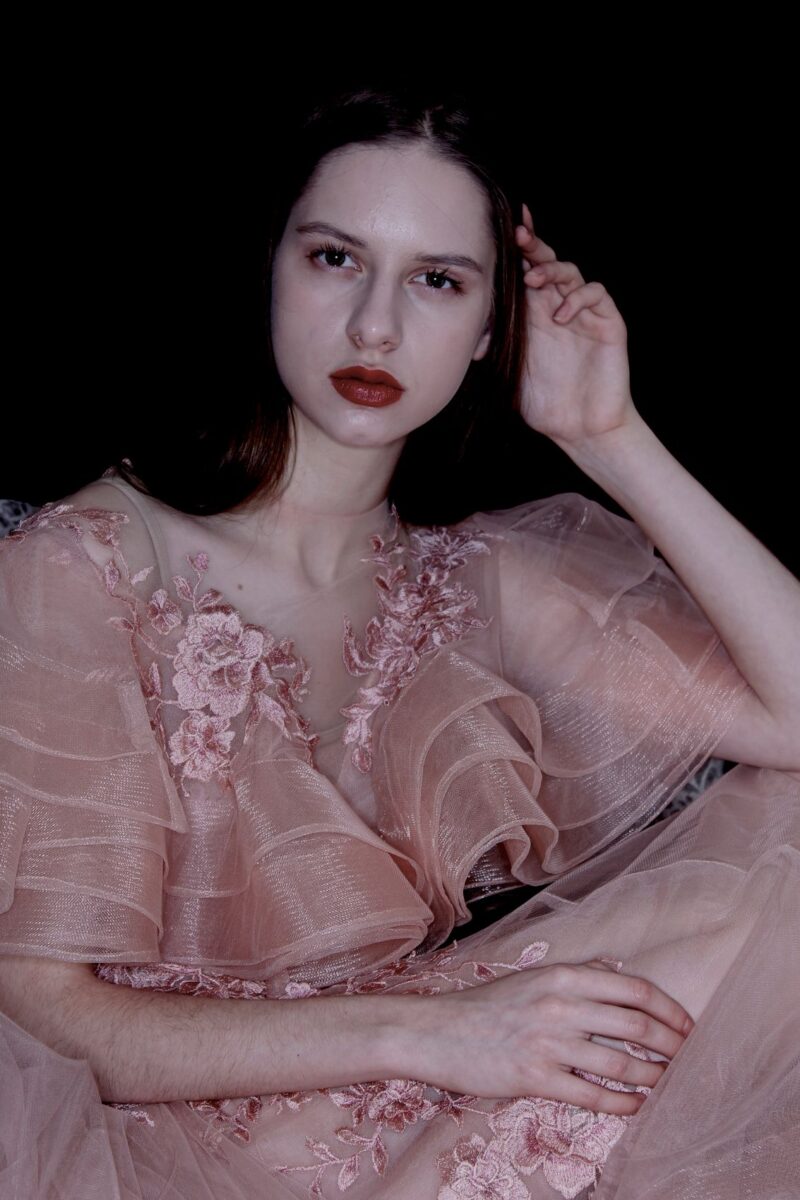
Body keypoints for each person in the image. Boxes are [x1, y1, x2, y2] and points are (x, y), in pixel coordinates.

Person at [0, 84, 798, 1200]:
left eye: (437, 281)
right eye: (335, 259)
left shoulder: (473, 579)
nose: (375, 327)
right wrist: (433, 1034)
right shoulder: (85, 564)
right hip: (162, 1141)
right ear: (270, 268)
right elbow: (39, 1011)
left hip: (416, 1083)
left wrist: (607, 434)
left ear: (490, 331)